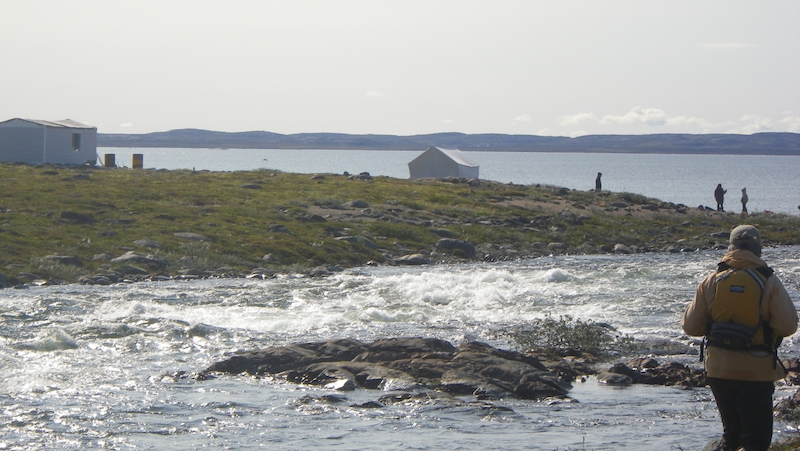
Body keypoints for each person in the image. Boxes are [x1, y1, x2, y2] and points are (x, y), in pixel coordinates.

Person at [682, 225, 798, 451]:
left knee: (731, 436)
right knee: (756, 440)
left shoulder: (712, 280)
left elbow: (690, 326)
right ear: (758, 249)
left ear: (731, 248)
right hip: (757, 371)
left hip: (719, 370)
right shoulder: (769, 281)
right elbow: (787, 326)